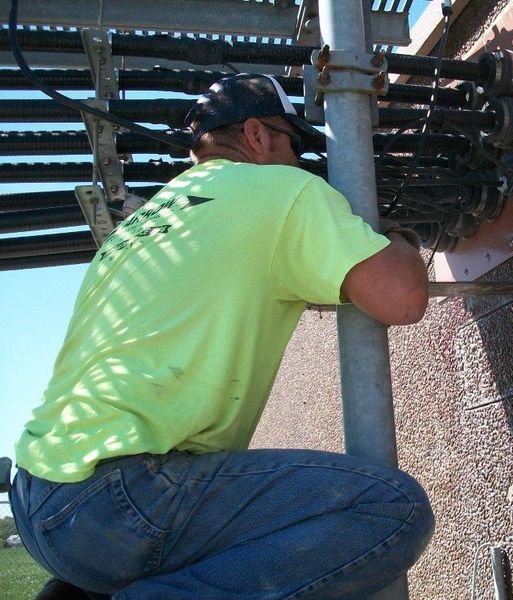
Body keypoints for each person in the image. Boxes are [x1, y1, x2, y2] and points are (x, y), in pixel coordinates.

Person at [9, 74, 434, 600]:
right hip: (120, 499)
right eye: (295, 145)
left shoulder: (143, 226)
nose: (299, 163)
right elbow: (402, 296)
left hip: (41, 501)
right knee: (387, 509)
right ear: (257, 135)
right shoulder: (279, 189)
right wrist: (389, 235)